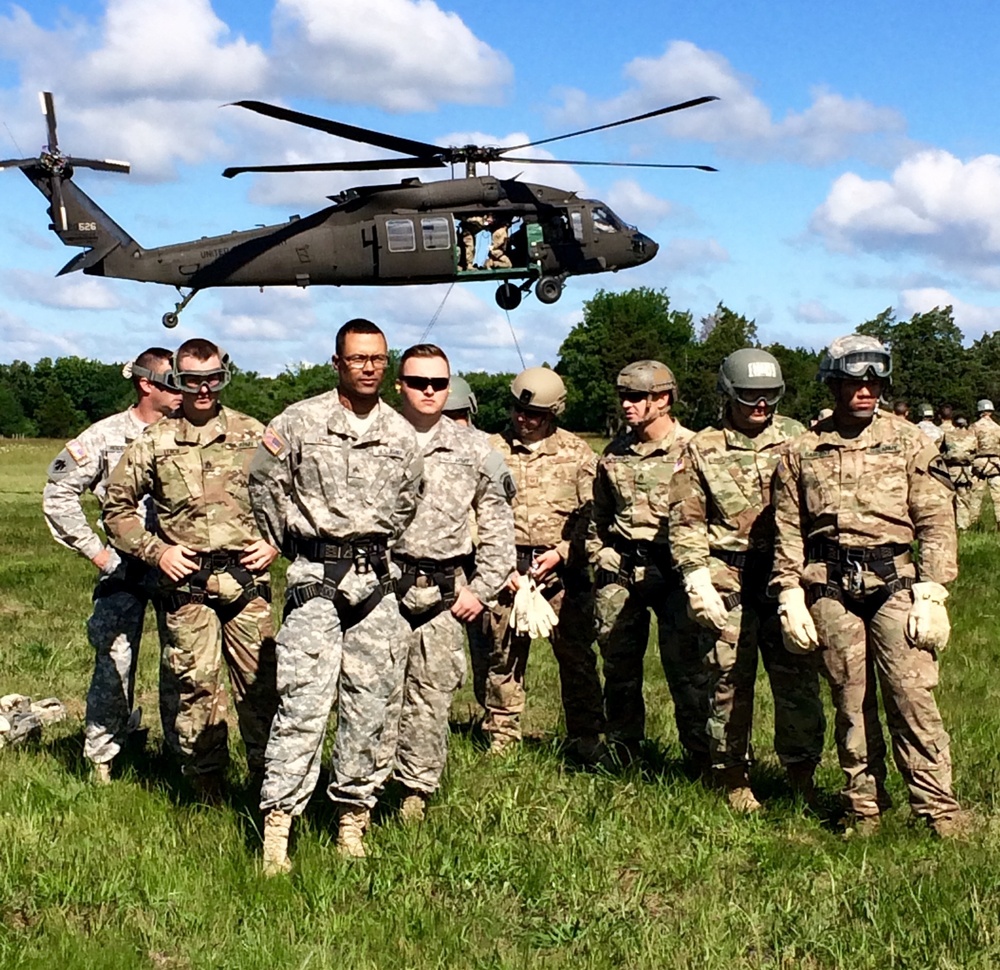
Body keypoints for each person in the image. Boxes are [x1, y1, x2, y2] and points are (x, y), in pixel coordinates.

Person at [771, 334, 968, 837]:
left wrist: (933, 590)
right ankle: (864, 807)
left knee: (911, 694)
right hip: (830, 584)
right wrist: (789, 590)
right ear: (833, 384)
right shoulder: (802, 451)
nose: (866, 390)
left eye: (875, 381)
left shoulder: (909, 442)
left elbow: (935, 518)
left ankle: (937, 809)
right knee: (849, 699)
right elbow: (788, 529)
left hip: (895, 582)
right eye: (855, 381)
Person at [248, 319, 423, 869]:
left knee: (371, 708)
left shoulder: (400, 433)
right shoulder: (299, 421)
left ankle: (353, 820)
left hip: (375, 584)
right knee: (302, 704)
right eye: (357, 359)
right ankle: (278, 829)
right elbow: (263, 483)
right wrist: (288, 540)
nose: (369, 367)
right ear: (337, 363)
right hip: (314, 578)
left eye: (377, 359)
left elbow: (407, 502)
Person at [103, 339, 278, 802]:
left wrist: (274, 541)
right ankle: (207, 789)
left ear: (224, 377)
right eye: (191, 381)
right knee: (195, 688)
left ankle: (269, 783)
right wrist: (155, 551)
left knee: (263, 685)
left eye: (213, 379)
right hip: (187, 585)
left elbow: (290, 495)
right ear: (177, 382)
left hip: (246, 581)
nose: (203, 390)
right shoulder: (155, 442)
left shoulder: (253, 434)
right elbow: (115, 507)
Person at [669, 349, 825, 811]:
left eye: (769, 396)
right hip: (727, 577)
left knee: (798, 679)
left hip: (787, 576)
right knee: (726, 680)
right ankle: (731, 774)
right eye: (749, 396)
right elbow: (685, 520)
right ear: (728, 394)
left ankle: (801, 772)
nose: (761, 405)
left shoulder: (799, 438)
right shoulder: (702, 447)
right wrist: (695, 575)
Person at [42, 348, 181, 782]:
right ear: (145, 384)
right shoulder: (104, 436)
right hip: (123, 568)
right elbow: (58, 493)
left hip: (179, 564)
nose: (182, 392)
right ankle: (102, 758)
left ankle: (183, 758)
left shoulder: (188, 432)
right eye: (171, 383)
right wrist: (96, 552)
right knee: (114, 661)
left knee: (183, 663)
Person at [391, 345, 515, 821]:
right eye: (418, 382)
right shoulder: (377, 436)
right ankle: (365, 788)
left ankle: (415, 793)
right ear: (399, 383)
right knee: (372, 693)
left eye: (438, 384)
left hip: (445, 591)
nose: (428, 391)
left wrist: (480, 589)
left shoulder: (476, 449)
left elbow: (499, 524)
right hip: (381, 588)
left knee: (432, 694)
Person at [587, 360, 708, 770]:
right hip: (622, 569)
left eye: (637, 397)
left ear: (664, 399)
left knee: (688, 670)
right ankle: (623, 753)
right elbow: (598, 516)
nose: (627, 405)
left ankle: (700, 757)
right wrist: (598, 553)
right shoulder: (614, 453)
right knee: (618, 667)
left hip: (674, 571)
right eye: (623, 396)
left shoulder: (693, 449)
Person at [480, 367, 604, 760]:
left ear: (554, 414)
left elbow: (595, 513)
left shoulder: (577, 453)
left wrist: (564, 553)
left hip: (562, 573)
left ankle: (586, 737)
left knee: (578, 657)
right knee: (502, 658)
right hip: (507, 568)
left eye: (535, 414)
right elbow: (471, 512)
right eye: (518, 410)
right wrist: (501, 568)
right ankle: (501, 735)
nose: (524, 419)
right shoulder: (488, 449)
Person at [939, 414, 978, 529]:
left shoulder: (948, 435)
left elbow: (939, 451)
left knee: (948, 498)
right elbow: (975, 453)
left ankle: (947, 524)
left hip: (950, 470)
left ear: (954, 423)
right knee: (963, 499)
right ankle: (963, 526)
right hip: (965, 471)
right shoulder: (972, 437)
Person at [971, 399, 1000, 527]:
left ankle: (972, 522)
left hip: (979, 463)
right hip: (995, 464)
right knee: (998, 496)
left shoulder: (974, 427)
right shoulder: (997, 427)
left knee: (975, 495)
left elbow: (970, 445)